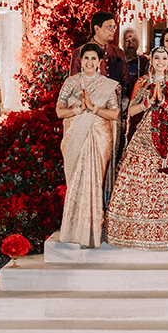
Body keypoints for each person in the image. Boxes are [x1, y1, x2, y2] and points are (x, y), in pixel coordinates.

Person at [104, 46, 168, 250]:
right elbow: (131, 111)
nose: (161, 61)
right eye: (157, 58)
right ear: (151, 61)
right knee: (134, 178)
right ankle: (132, 230)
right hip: (145, 137)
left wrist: (164, 103)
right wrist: (147, 103)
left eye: (165, 58)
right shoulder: (142, 82)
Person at [55, 43, 120, 248]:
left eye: (94, 59)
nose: (90, 63)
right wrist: (78, 110)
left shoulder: (107, 85)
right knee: (76, 181)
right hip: (76, 138)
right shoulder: (71, 82)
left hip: (98, 138)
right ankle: (73, 231)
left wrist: (93, 109)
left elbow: (115, 114)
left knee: (94, 183)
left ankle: (92, 232)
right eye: (86, 59)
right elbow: (59, 112)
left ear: (100, 62)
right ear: (80, 61)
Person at [70, 11, 126, 87]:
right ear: (96, 28)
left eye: (114, 27)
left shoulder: (118, 53)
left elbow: (126, 81)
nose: (113, 30)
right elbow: (74, 84)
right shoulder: (80, 52)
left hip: (115, 97)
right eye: (109, 27)